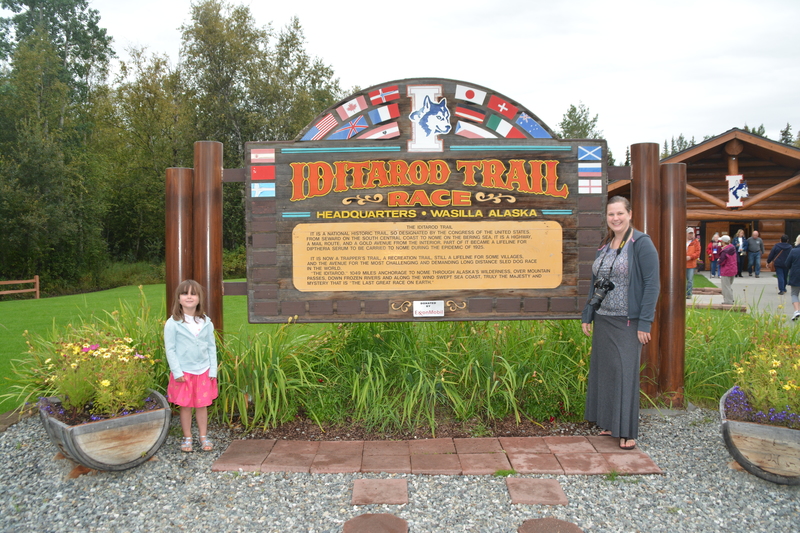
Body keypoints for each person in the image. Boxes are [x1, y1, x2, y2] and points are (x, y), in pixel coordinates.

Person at [581, 196, 660, 450]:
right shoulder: (606, 244)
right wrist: (588, 313)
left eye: (619, 213)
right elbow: (596, 283)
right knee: (606, 372)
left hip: (628, 321)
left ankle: (627, 431)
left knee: (625, 374)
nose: (615, 218)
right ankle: (609, 423)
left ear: (630, 213)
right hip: (604, 318)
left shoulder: (641, 244)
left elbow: (652, 285)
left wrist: (645, 323)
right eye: (611, 214)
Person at [164, 280, 219, 452]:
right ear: (178, 299)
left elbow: (211, 347)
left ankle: (203, 436)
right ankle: (187, 437)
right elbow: (170, 349)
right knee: (186, 406)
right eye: (185, 293)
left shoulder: (206, 322)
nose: (189, 297)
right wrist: (176, 371)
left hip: (203, 371)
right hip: (184, 372)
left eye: (193, 293)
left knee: (202, 406)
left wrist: (213, 369)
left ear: (199, 299)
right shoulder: (173, 323)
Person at [718, 235, 737, 305]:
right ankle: (731, 299)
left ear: (723, 242)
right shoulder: (732, 248)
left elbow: (722, 261)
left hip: (726, 270)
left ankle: (728, 301)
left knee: (726, 287)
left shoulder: (725, 251)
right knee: (729, 286)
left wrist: (719, 261)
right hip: (733, 269)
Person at [786, 236, 800, 321]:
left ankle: (797, 311)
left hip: (796, 274)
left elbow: (787, 263)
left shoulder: (794, 251)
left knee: (794, 294)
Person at [685, 228, 701, 298]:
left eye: (692, 234)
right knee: (680, 280)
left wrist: (690, 257)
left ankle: (689, 294)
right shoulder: (681, 240)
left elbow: (697, 253)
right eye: (689, 233)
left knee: (690, 280)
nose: (691, 235)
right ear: (686, 233)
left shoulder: (696, 242)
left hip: (691, 264)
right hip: (681, 265)